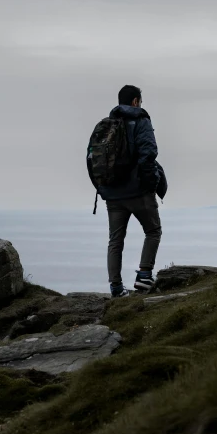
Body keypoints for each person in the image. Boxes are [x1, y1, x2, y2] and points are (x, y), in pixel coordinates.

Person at [88, 85, 167, 298]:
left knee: (115, 239)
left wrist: (103, 189)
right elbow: (148, 154)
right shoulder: (141, 121)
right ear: (135, 101)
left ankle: (115, 288)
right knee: (153, 231)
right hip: (138, 192)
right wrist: (152, 184)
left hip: (112, 193)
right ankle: (144, 276)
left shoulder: (106, 125)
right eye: (140, 101)